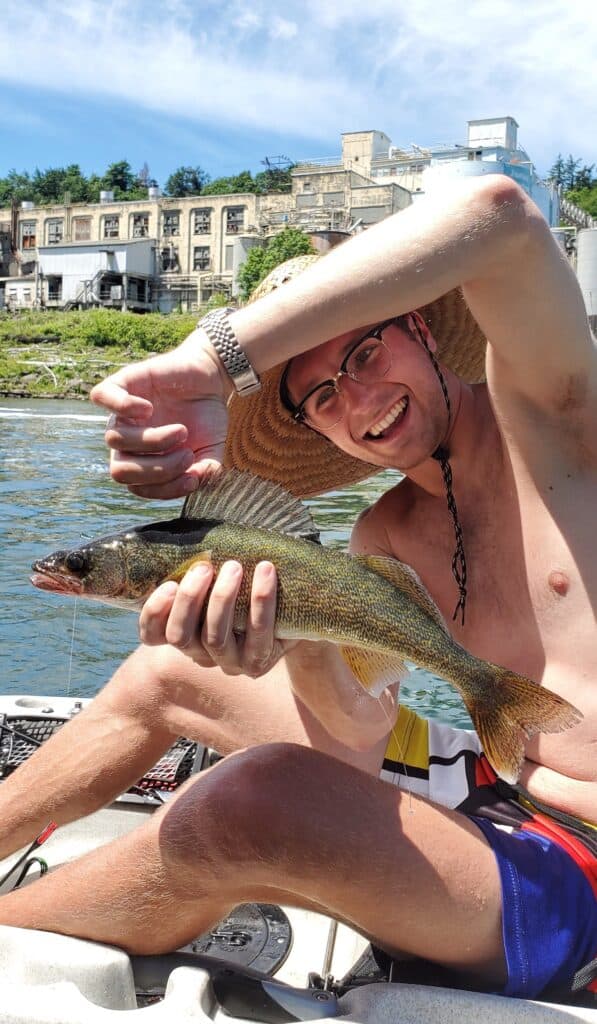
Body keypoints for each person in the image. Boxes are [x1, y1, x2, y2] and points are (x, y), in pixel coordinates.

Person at [0, 175, 595, 1001]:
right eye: (319, 393)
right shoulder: (383, 536)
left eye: (363, 352)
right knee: (168, 671)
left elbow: (501, 216)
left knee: (248, 804)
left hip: (580, 870)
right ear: (311, 427)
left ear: (419, 322)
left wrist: (211, 356)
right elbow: (354, 743)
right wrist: (299, 641)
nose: (357, 398)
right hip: (494, 782)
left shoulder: (557, 423)